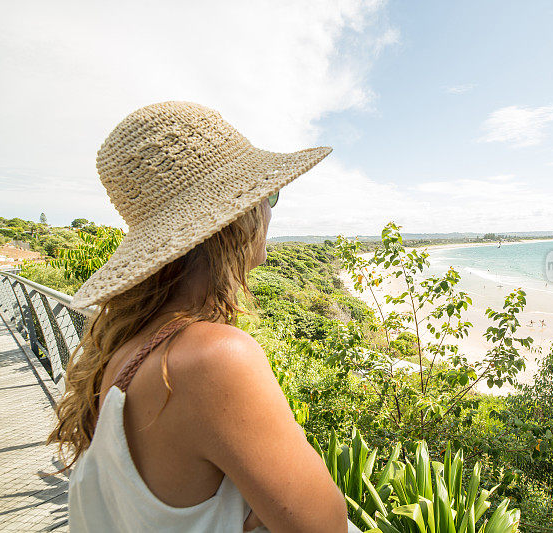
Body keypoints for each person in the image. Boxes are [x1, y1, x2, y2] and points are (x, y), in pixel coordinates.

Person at [47, 102, 351, 532]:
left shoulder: (121, 348)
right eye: (269, 195)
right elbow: (326, 525)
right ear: (239, 218)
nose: (270, 211)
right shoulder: (214, 357)